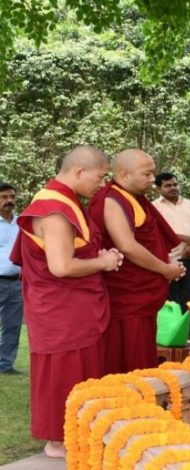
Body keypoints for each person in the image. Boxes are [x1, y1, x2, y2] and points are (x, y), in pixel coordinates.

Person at [10, 146, 123, 457]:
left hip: (74, 306)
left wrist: (98, 256)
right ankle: (59, 440)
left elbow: (74, 250)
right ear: (79, 171)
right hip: (60, 309)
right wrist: (103, 263)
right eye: (100, 177)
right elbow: (61, 266)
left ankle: (79, 432)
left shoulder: (65, 201)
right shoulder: (54, 208)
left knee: (82, 369)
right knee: (64, 371)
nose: (103, 184)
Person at [89, 149, 184, 374]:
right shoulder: (112, 200)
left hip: (140, 296)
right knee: (128, 359)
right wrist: (165, 269)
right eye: (147, 174)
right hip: (126, 297)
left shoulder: (134, 199)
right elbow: (127, 246)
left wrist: (169, 264)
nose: (153, 179)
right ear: (124, 175)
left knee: (140, 354)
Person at [153, 173, 190, 344]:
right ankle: (170, 332)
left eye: (175, 184)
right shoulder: (154, 207)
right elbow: (158, 232)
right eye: (168, 185)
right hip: (168, 259)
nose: (173, 188)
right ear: (159, 189)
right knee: (170, 297)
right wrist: (187, 238)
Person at [0, 183, 22, 374]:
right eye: (4, 197)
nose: (9, 201)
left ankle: (5, 365)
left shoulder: (22, 223)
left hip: (16, 282)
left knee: (12, 325)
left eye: (12, 197)